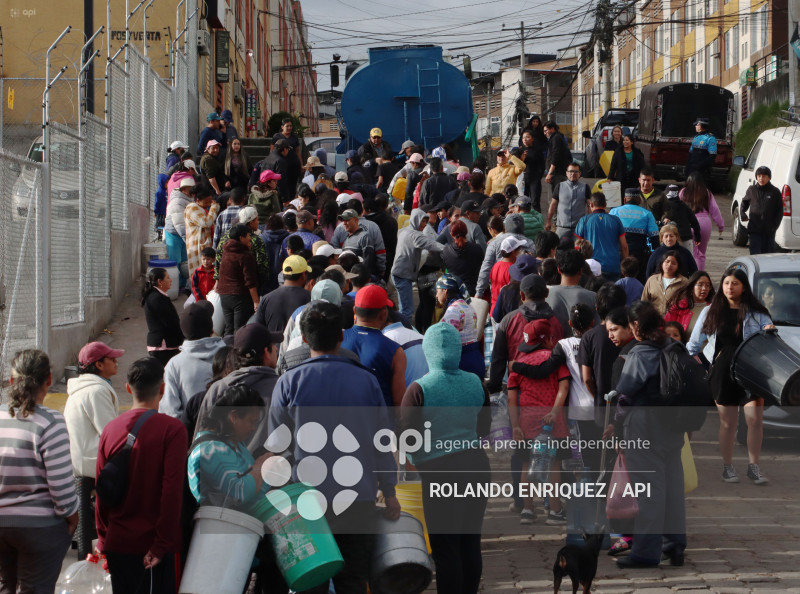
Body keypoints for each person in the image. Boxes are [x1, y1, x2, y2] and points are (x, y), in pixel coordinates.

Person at [268, 301, 400, 594]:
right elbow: (383, 441)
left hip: (305, 501)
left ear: (303, 339)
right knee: (353, 580)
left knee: (311, 581)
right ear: (342, 336)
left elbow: (276, 450)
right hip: (358, 498)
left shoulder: (289, 383)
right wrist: (389, 491)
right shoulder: (367, 381)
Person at [400, 322, 491, 594]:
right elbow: (484, 429)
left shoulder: (419, 389)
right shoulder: (475, 382)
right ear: (458, 350)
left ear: (427, 351)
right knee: (469, 541)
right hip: (476, 466)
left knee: (446, 548)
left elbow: (406, 437)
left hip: (440, 473)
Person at [96, 357, 186, 593]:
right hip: (152, 547)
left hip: (118, 543)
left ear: (127, 388)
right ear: (163, 390)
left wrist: (104, 539)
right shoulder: (173, 430)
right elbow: (172, 491)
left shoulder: (111, 429)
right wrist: (162, 544)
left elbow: (102, 489)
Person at [614, 301, 687, 569]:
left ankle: (645, 553)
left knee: (648, 492)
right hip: (674, 424)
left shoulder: (640, 352)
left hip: (645, 425)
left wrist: (617, 424)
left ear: (635, 326)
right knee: (672, 488)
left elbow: (627, 390)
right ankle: (675, 546)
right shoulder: (674, 346)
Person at [0, 350, 79, 593]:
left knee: (6, 586)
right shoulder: (51, 422)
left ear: (12, 381)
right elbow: (62, 488)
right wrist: (72, 517)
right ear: (48, 380)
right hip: (41, 528)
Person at [687, 267, 774, 485]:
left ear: (743, 287)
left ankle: (754, 467)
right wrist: (696, 367)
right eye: (726, 283)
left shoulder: (757, 311)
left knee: (755, 420)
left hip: (752, 371)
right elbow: (694, 344)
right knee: (728, 423)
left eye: (735, 283)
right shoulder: (711, 311)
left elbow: (769, 333)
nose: (729, 287)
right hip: (723, 372)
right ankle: (728, 467)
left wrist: (770, 329)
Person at [64, 342, 124, 559]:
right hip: (91, 462)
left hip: (80, 459)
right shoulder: (97, 391)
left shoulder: (84, 388)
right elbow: (111, 432)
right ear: (99, 365)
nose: (116, 362)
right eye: (111, 359)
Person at [507, 318, 569, 525]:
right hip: (553, 422)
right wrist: (554, 411)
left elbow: (511, 398)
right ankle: (555, 511)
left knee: (526, 464)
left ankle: (527, 509)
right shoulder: (555, 359)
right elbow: (564, 388)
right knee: (554, 465)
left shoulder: (518, 361)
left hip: (526, 421)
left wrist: (515, 425)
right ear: (549, 339)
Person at [196, 325, 283, 452]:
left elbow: (201, 441)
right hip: (270, 468)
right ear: (266, 353)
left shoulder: (218, 389)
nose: (276, 348)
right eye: (273, 345)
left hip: (223, 468)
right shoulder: (281, 387)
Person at [486, 274, 562, 393]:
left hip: (517, 391)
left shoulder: (508, 320)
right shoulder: (557, 322)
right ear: (547, 293)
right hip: (551, 392)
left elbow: (498, 359)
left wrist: (494, 387)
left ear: (521, 295)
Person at [341, 285, 407, 408]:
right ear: (384, 314)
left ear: (354, 310)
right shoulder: (395, 351)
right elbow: (399, 401)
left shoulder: (336, 340)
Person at [160, 301, 226, 418]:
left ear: (183, 332)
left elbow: (170, 411)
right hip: (227, 431)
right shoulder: (229, 355)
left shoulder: (174, 365)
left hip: (189, 432)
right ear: (211, 330)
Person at [577, 283, 627, 431]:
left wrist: (598, 396)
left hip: (602, 406)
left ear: (597, 309)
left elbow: (586, 378)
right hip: (627, 406)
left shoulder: (589, 337)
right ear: (624, 307)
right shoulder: (630, 334)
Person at [391, 208, 446, 320]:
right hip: (402, 274)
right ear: (416, 220)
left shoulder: (404, 231)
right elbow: (430, 244)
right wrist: (448, 249)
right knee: (407, 310)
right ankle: (405, 334)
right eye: (422, 221)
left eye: (425, 222)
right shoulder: (415, 235)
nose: (424, 225)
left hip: (399, 273)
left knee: (405, 308)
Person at [435, 274, 484, 378]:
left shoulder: (453, 311)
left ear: (445, 291)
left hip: (463, 364)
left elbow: (447, 342)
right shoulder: (468, 307)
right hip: (476, 359)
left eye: (437, 291)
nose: (436, 295)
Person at [475, 213, 533, 299]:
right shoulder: (530, 243)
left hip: (498, 294)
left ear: (506, 226)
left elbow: (486, 268)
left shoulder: (494, 243)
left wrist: (479, 292)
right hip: (524, 294)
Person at [574, 192, 629, 281]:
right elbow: (624, 246)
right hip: (613, 267)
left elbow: (578, 246)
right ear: (605, 205)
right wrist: (626, 269)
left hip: (591, 269)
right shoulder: (616, 220)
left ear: (591, 204)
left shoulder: (584, 220)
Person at [545, 249, 600, 335]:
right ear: (581, 271)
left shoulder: (546, 294)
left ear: (558, 270)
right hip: (584, 346)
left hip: (553, 346)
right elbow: (597, 329)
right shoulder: (593, 297)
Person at [609, 188, 659, 280]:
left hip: (618, 253)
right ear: (639, 200)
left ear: (624, 200)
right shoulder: (647, 214)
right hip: (638, 255)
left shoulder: (614, 212)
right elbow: (654, 236)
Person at [255, 255, 311, 332]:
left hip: (273, 343)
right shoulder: (310, 297)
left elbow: (257, 330)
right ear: (303, 274)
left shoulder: (266, 299)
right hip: (299, 343)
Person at [680, 172, 724, 270]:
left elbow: (677, 206)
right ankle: (699, 274)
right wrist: (720, 225)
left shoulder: (683, 192)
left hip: (688, 224)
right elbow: (715, 210)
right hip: (705, 223)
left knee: (688, 251)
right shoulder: (707, 192)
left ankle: (688, 272)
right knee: (700, 254)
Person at [142, 267, 184, 365]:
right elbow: (170, 323)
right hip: (163, 346)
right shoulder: (157, 299)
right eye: (168, 278)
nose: (171, 280)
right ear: (160, 281)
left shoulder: (157, 296)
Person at [740, 165, 784, 255]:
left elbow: (780, 211)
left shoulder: (775, 192)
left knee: (767, 256)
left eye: (764, 176)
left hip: (769, 231)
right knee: (755, 255)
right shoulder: (752, 190)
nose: (761, 179)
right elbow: (744, 203)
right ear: (756, 177)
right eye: (759, 176)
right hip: (754, 230)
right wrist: (742, 213)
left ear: (769, 178)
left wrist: (775, 226)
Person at [651, 184, 702, 254]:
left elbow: (656, 222)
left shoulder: (663, 207)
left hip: (669, 239)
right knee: (687, 261)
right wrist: (697, 237)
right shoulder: (685, 206)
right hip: (685, 238)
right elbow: (695, 223)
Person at [545, 162, 590, 238]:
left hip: (579, 228)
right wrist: (548, 221)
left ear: (579, 174)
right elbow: (553, 204)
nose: (573, 174)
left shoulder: (585, 187)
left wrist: (589, 222)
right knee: (559, 248)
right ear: (566, 173)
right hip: (562, 227)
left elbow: (590, 206)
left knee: (579, 249)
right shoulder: (559, 186)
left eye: (576, 172)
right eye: (571, 171)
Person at [164, 177, 195, 290]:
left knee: (183, 261)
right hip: (174, 233)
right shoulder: (177, 201)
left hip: (183, 234)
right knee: (175, 261)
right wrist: (187, 239)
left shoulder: (188, 199)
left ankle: (181, 285)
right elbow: (179, 223)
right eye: (191, 189)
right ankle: (174, 286)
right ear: (185, 189)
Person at [664, 270, 715, 336]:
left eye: (707, 285)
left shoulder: (714, 308)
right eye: (700, 285)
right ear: (692, 287)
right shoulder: (679, 307)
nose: (704, 288)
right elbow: (664, 329)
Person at [441, 219, 484, 297]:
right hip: (473, 293)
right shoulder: (477, 249)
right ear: (466, 232)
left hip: (454, 293)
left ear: (451, 234)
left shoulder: (446, 251)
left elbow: (445, 268)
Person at [185, 183, 220, 273]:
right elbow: (206, 223)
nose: (209, 204)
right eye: (206, 202)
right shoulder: (192, 208)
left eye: (210, 201)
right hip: (197, 246)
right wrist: (214, 208)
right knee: (198, 274)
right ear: (197, 200)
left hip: (204, 245)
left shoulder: (200, 208)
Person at [641, 250, 689, 315]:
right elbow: (644, 301)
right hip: (653, 320)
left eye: (673, 263)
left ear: (678, 266)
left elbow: (685, 304)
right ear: (662, 263)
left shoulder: (684, 282)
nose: (669, 265)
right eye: (667, 262)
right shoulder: (652, 280)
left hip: (673, 320)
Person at [490, 236, 526, 313]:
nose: (520, 252)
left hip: (495, 309)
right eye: (518, 250)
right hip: (506, 312)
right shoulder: (514, 270)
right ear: (513, 252)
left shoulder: (496, 265)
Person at [519, 128, 546, 211]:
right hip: (523, 180)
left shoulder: (537, 150)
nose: (525, 139)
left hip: (534, 179)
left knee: (535, 202)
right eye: (523, 137)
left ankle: (538, 221)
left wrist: (538, 176)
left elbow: (542, 165)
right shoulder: (520, 150)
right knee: (523, 202)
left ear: (532, 138)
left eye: (527, 137)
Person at [543, 121, 572, 194]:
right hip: (558, 172)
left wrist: (550, 172)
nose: (545, 133)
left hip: (557, 173)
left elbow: (555, 156)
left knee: (557, 196)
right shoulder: (558, 137)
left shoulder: (556, 138)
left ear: (552, 129)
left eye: (546, 130)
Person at [685, 117, 717, 181]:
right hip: (692, 169)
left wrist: (700, 166)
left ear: (701, 126)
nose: (695, 126)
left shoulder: (710, 138)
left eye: (697, 125)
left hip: (702, 171)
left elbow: (712, 156)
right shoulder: (696, 137)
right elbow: (690, 154)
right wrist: (687, 167)